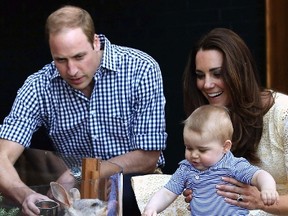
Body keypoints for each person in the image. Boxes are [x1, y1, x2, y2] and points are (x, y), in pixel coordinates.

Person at [0, 5, 167, 216]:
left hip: (136, 185)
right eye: (60, 60)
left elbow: (148, 157)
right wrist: (24, 195)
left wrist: (81, 172)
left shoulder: (141, 68)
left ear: (96, 42)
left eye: (79, 57)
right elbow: (2, 156)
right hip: (76, 196)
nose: (72, 70)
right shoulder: (39, 86)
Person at [182, 28, 288, 215]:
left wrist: (261, 202)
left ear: (239, 71)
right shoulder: (213, 118)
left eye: (217, 73)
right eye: (200, 75)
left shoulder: (283, 113)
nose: (206, 84)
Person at [142, 105, 279, 216]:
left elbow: (259, 175)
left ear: (225, 147)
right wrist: (152, 208)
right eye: (189, 148)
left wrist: (268, 188)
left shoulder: (232, 165)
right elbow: (167, 192)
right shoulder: (186, 169)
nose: (194, 155)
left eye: (202, 150)